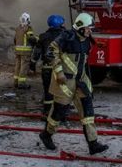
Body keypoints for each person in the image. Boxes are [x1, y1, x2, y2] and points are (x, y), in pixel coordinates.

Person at [38, 12, 108, 155]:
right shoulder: (67, 37)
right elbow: (51, 51)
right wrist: (59, 72)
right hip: (65, 82)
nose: (90, 31)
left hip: (81, 81)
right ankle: (46, 135)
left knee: (88, 111)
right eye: (88, 28)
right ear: (81, 27)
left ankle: (93, 144)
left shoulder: (88, 39)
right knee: (59, 112)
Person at [31, 14, 68, 117]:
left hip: (47, 68)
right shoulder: (65, 36)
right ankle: (61, 113)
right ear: (59, 24)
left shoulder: (43, 36)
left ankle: (47, 112)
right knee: (62, 91)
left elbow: (37, 52)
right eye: (63, 23)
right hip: (61, 68)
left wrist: (33, 63)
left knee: (48, 91)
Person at [13, 12, 36, 89]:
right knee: (24, 67)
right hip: (25, 52)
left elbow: (15, 40)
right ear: (28, 20)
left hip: (17, 51)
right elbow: (31, 38)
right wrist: (37, 39)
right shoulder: (28, 28)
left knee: (17, 66)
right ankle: (22, 83)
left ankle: (16, 82)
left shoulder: (17, 28)